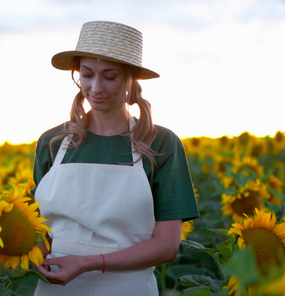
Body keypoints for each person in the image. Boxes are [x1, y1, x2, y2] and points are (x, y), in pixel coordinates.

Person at [31, 20, 199, 296]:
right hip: (55, 288)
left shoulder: (161, 144)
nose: (96, 87)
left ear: (131, 80)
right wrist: (29, 249)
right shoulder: (52, 142)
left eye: (110, 77)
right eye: (87, 74)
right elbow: (39, 227)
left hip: (128, 288)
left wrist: (88, 263)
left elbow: (167, 246)